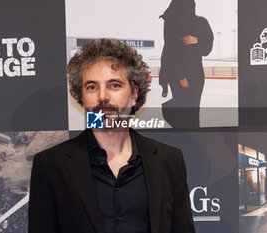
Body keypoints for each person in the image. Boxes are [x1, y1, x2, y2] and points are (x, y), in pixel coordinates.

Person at [28, 38, 195, 233]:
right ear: (82, 97)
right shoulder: (51, 165)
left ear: (133, 94)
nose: (102, 96)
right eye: (91, 87)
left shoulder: (169, 160)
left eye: (114, 85)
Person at [159, 0, 213, 127]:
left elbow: (207, 48)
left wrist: (198, 40)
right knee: (184, 111)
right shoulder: (172, 21)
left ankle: (191, 140)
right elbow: (171, 50)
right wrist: (181, 75)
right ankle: (186, 140)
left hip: (195, 75)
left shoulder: (200, 22)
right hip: (179, 76)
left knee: (192, 111)